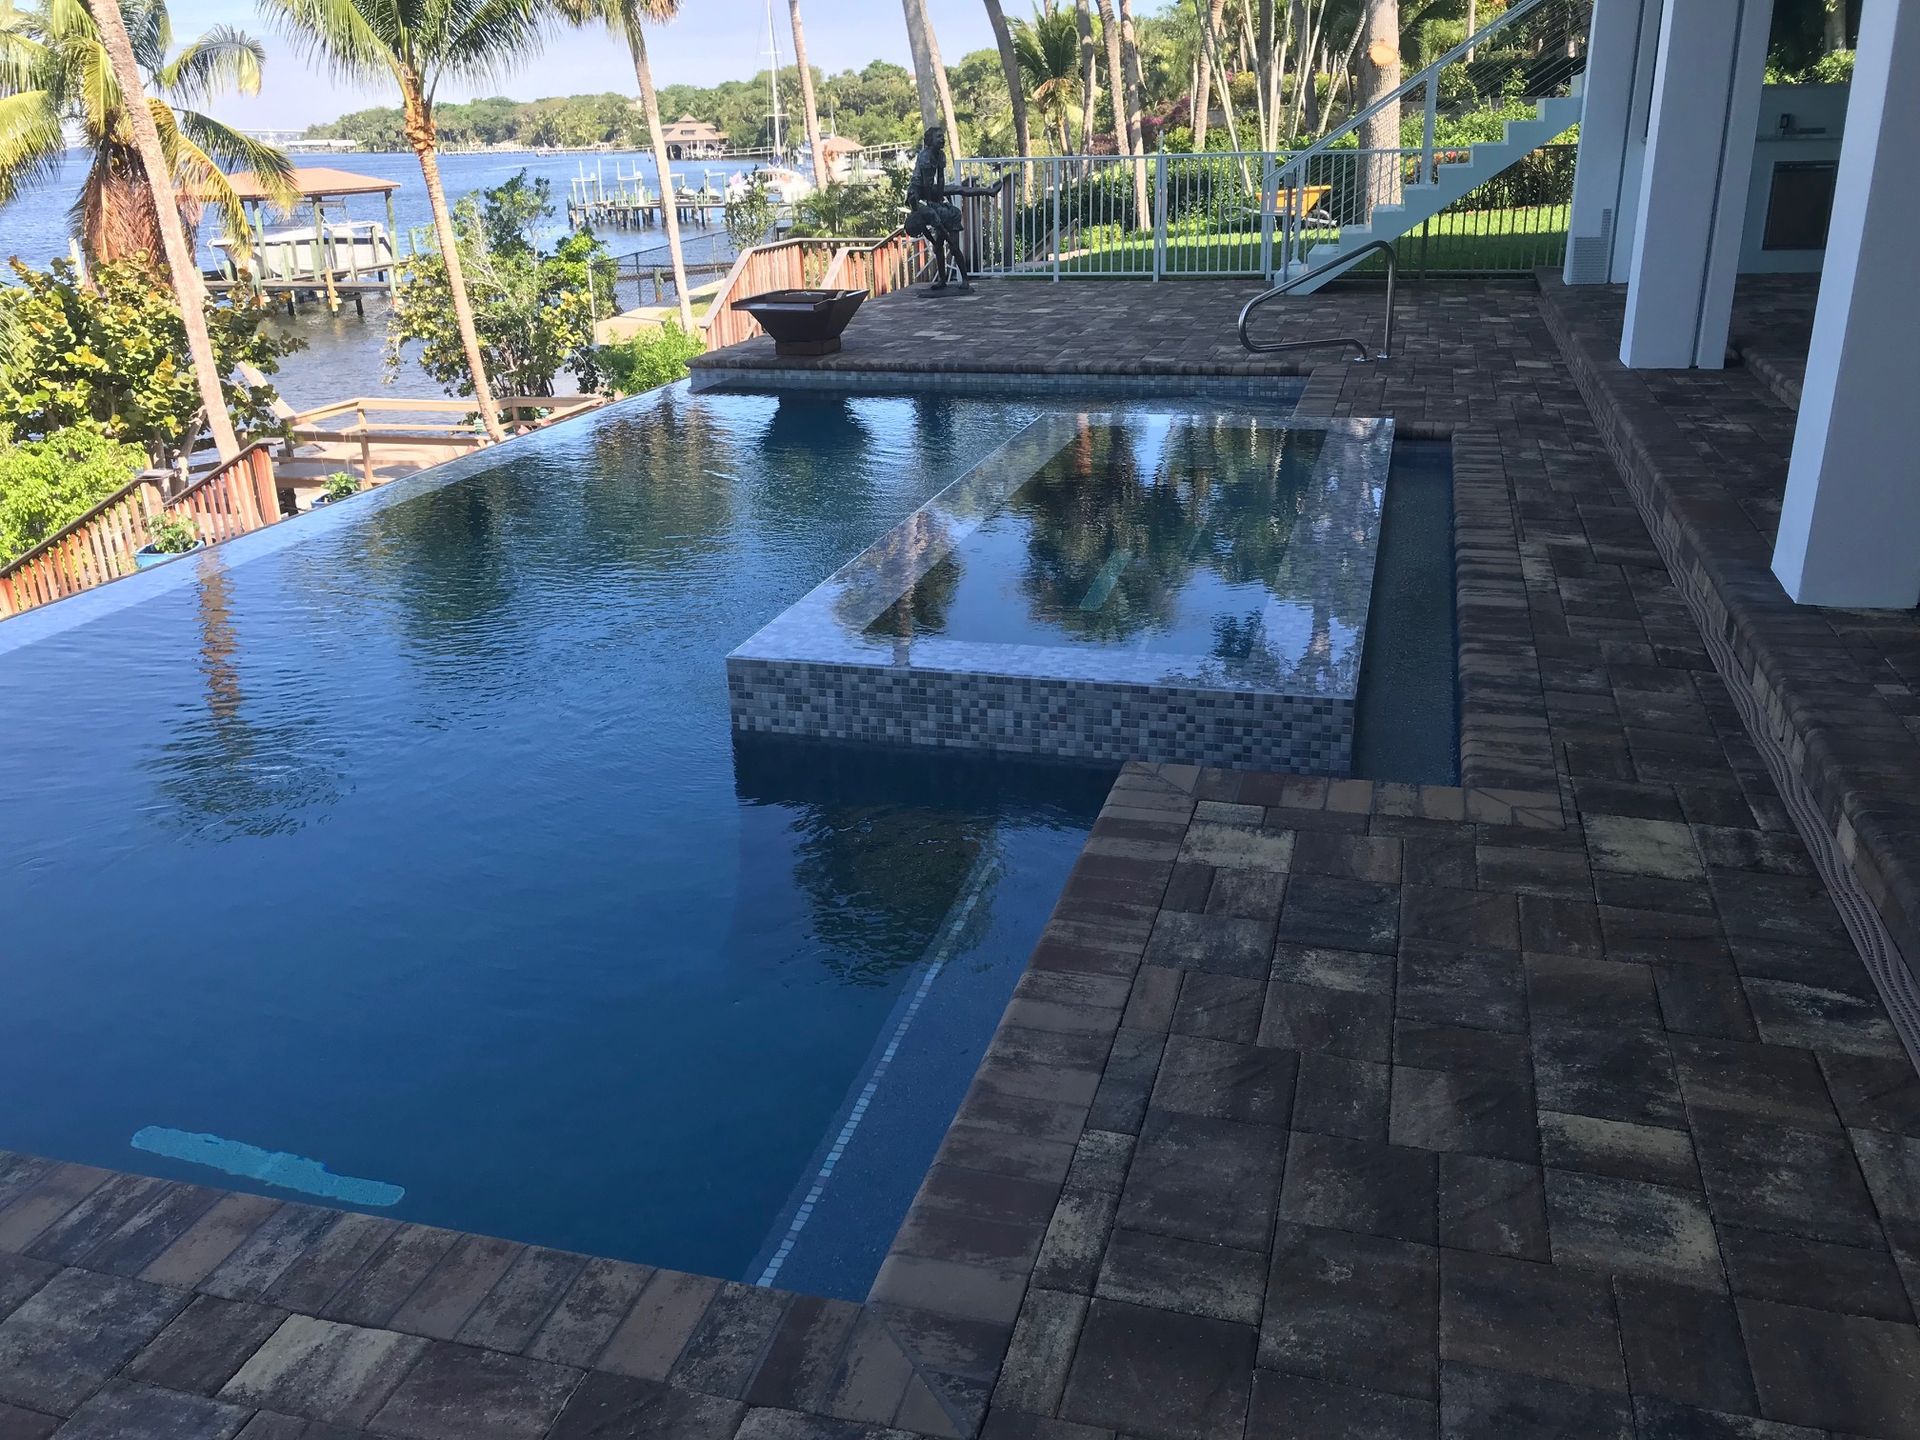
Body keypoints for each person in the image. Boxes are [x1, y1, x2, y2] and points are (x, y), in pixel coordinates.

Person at [903, 125, 996, 294]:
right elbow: (923, 184)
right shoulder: (924, 158)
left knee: (953, 246)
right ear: (930, 141)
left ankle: (965, 279)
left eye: (942, 136)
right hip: (925, 193)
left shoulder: (940, 155)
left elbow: (940, 178)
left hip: (935, 199)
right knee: (940, 247)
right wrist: (932, 205)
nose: (942, 139)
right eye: (938, 137)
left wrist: (937, 199)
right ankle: (943, 280)